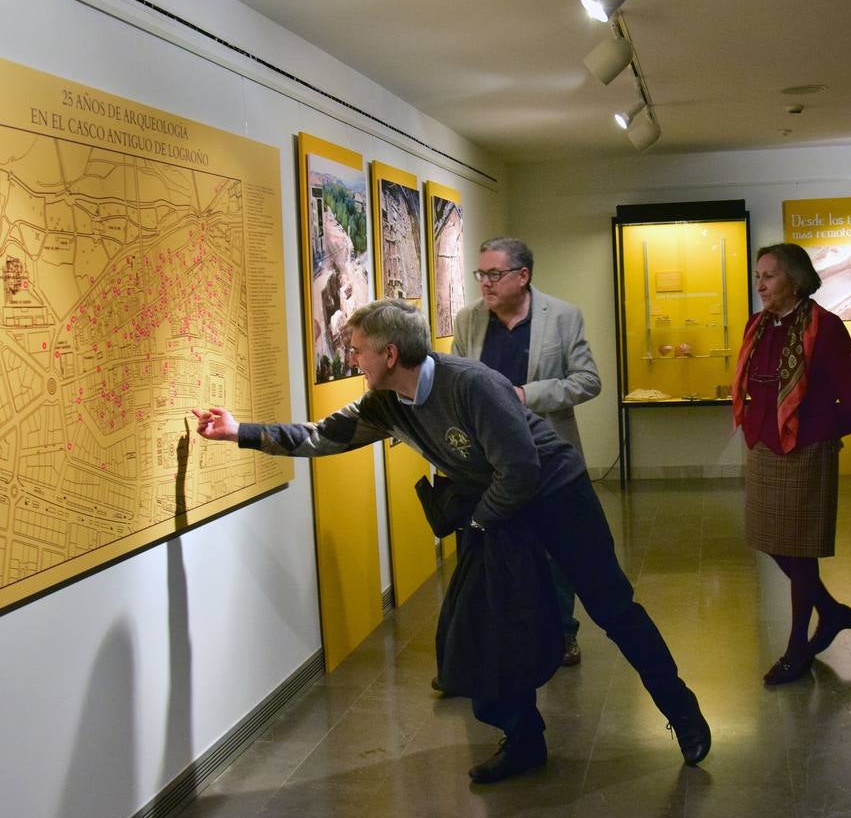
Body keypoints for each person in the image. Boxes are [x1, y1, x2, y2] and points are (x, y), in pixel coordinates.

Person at [191, 298, 710, 783]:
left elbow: (522, 469)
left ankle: (681, 710)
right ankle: (524, 740)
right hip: (500, 507)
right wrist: (241, 431)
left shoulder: (471, 384)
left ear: (390, 353)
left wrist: (480, 523)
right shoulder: (386, 402)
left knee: (612, 608)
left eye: (357, 350)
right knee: (496, 627)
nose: (352, 360)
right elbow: (324, 435)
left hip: (555, 495)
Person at [453, 236, 601, 666]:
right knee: (498, 549)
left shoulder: (562, 317)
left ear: (523, 275)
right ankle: (500, 639)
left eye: (495, 274)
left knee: (555, 549)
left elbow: (587, 381)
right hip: (488, 461)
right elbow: (456, 381)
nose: (486, 283)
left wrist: (523, 394)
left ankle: (563, 634)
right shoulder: (468, 322)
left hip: (546, 455)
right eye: (481, 274)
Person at [730, 242, 851, 686]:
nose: (760, 284)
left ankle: (797, 648)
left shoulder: (824, 327)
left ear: (794, 279)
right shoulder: (759, 325)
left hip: (805, 448)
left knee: (801, 550)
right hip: (764, 447)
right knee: (771, 538)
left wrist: (822, 435)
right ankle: (830, 612)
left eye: (768, 275)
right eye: (758, 276)